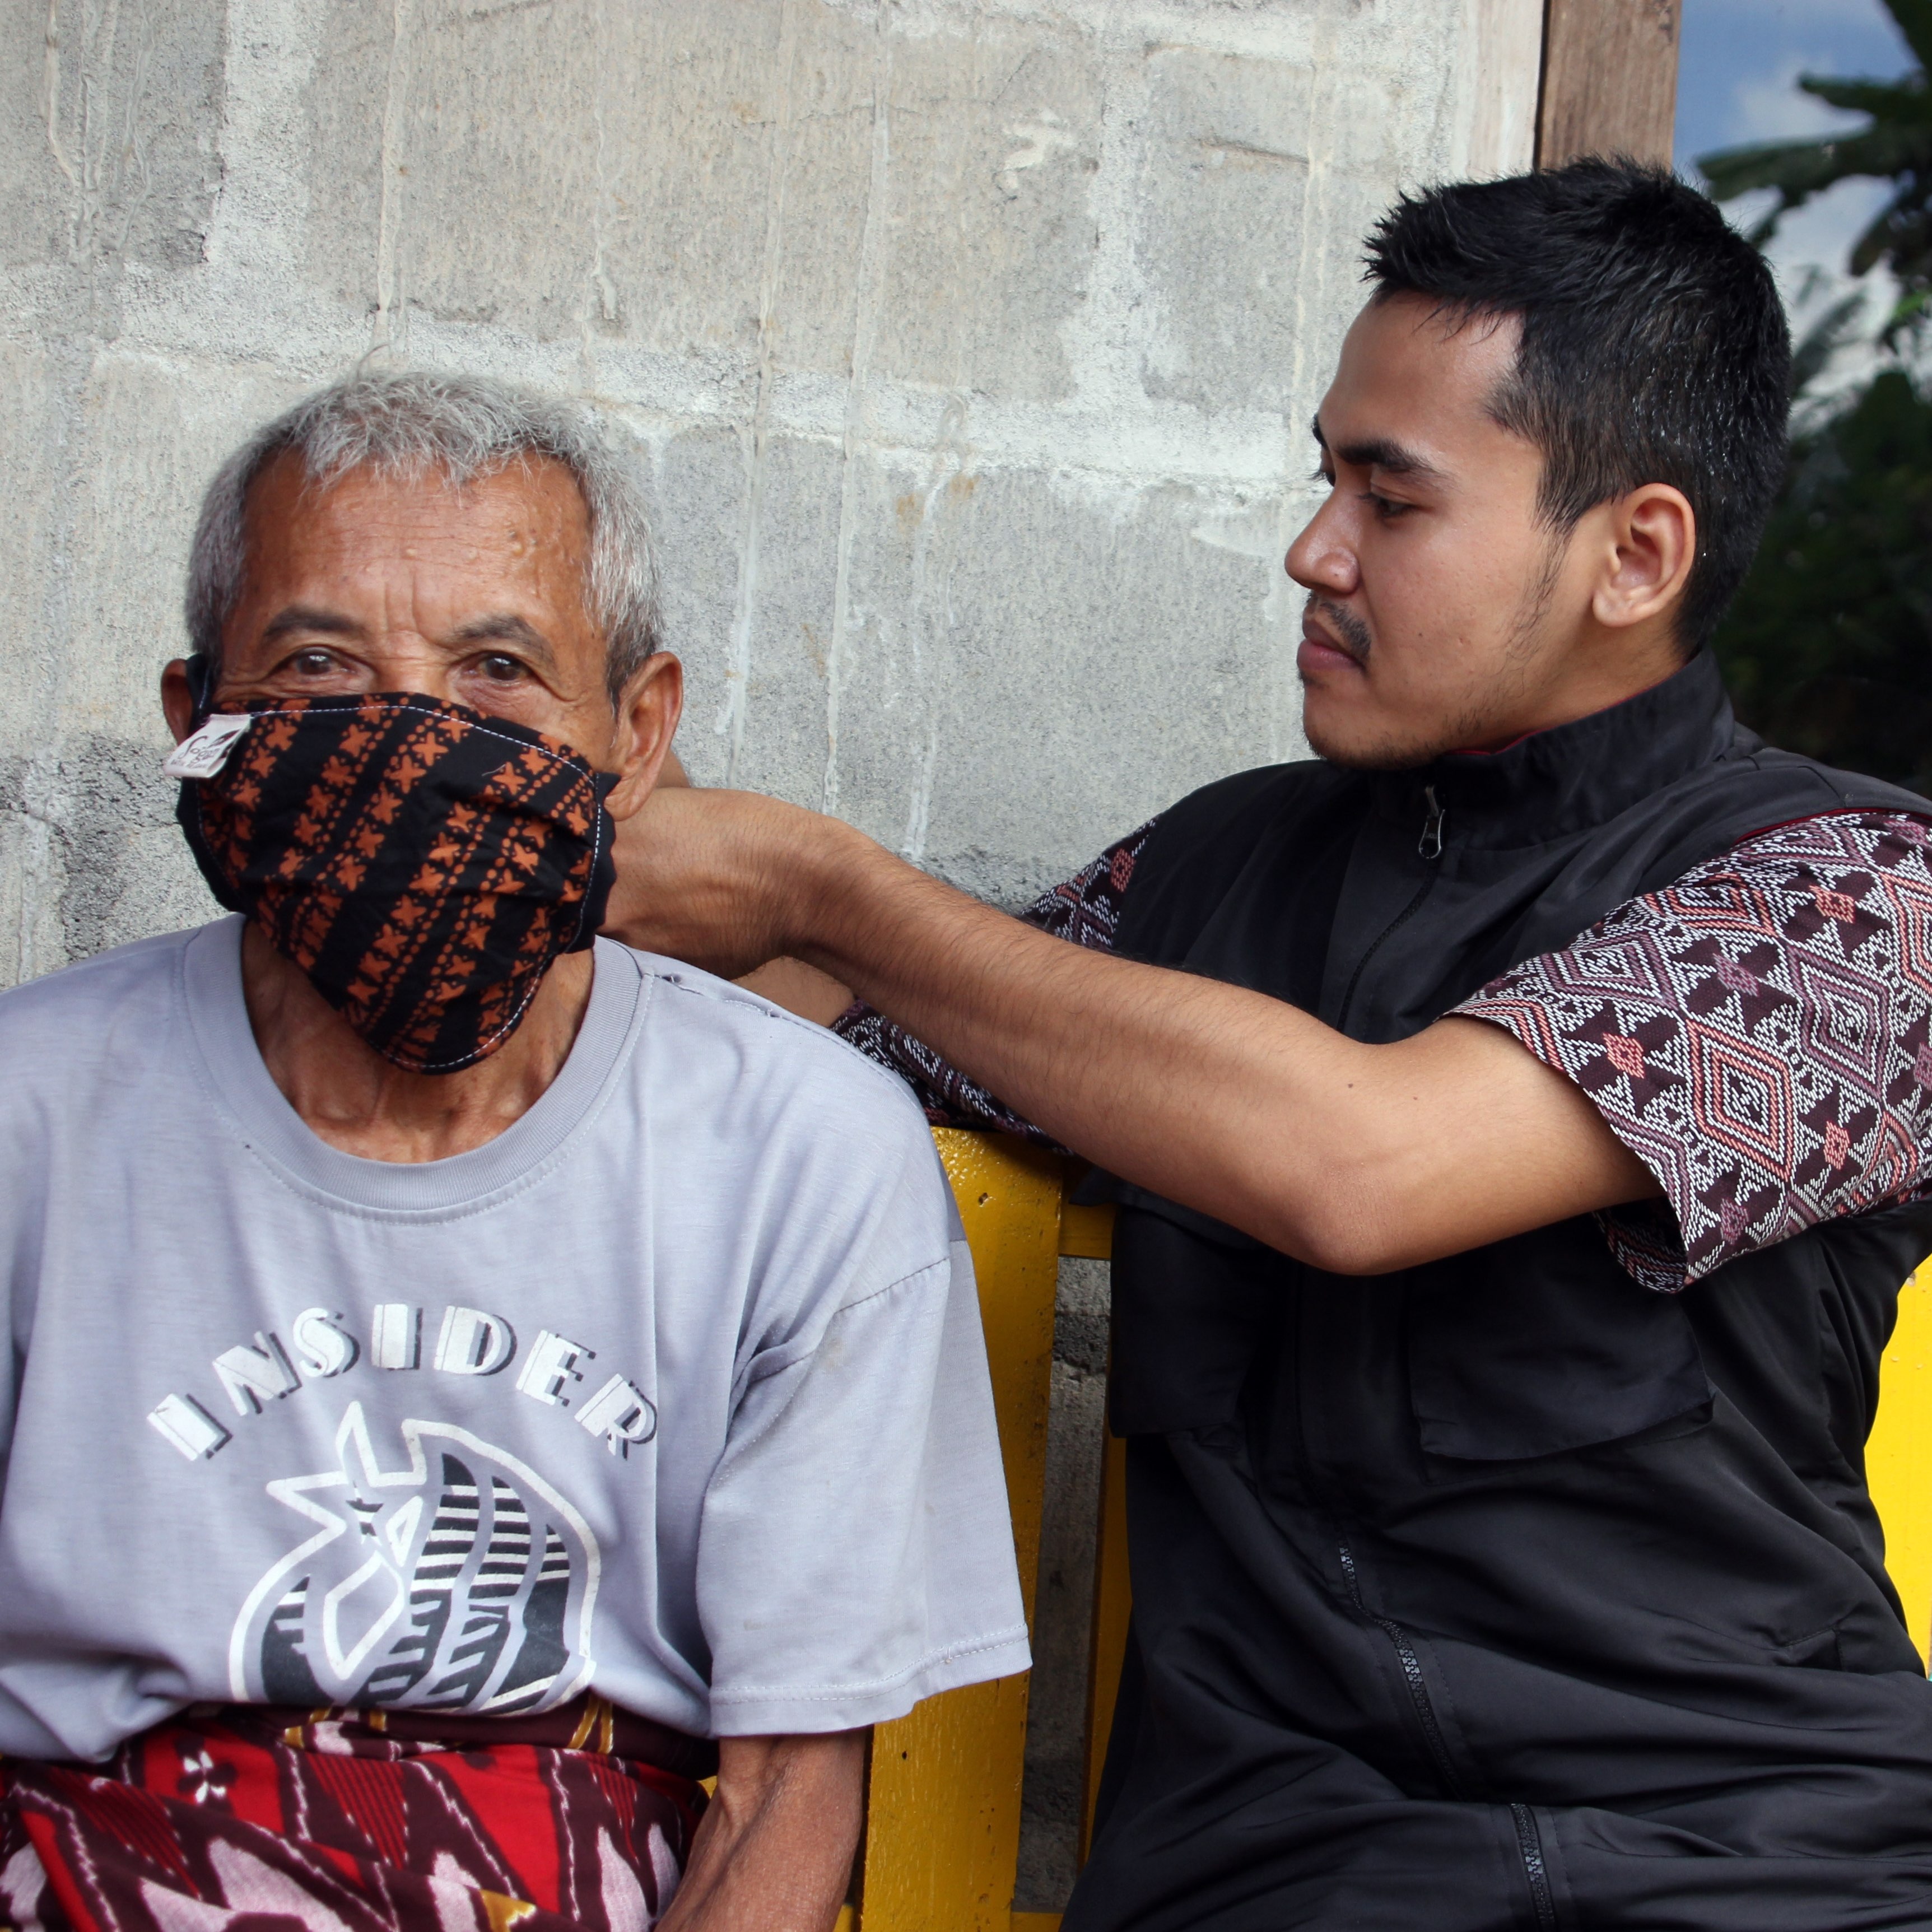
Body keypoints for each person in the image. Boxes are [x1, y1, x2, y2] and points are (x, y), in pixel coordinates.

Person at [607, 162, 1932, 1929]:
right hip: (1274, 1882)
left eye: (1391, 499)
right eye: (1326, 477)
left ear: (1634, 554)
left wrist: (826, 886)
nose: (1313, 551)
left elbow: (1362, 1163)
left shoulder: (1855, 903)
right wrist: (558, 892)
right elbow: (830, 1045)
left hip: (1768, 1869)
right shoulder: (1206, 871)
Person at [0, 371, 1030, 1932]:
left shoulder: (798, 1153)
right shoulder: (30, 1108)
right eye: (317, 661)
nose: (405, 735)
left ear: (635, 735)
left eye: (496, 667)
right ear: (195, 722)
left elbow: (784, 1791)